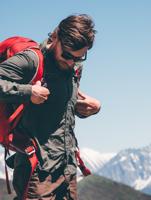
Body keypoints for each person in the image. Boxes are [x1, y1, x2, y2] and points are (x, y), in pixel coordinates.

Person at [0, 14, 100, 199]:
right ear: (55, 37)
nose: (71, 62)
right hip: (38, 171)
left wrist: (88, 109)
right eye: (67, 55)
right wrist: (28, 92)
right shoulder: (31, 60)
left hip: (67, 168)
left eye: (80, 57)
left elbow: (61, 109)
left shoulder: (74, 67)